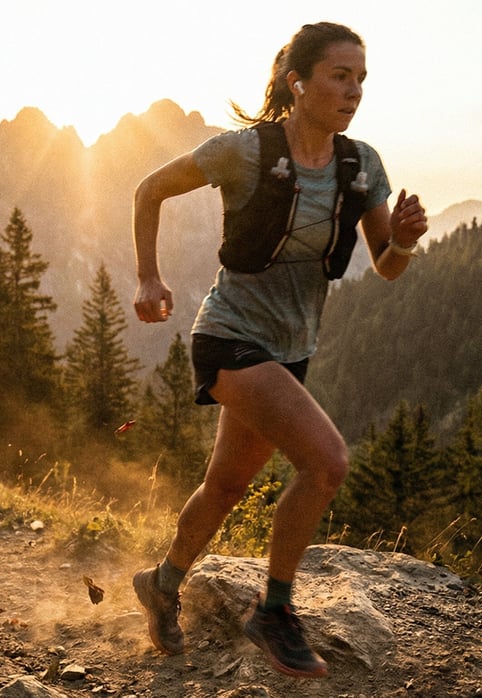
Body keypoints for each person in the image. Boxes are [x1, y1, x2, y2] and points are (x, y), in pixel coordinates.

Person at [129, 21, 428, 678]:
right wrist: (149, 275)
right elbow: (148, 189)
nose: (353, 91)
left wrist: (402, 238)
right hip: (230, 335)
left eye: (361, 80)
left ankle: (162, 582)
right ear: (298, 81)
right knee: (326, 464)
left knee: (227, 485)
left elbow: (387, 265)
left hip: (291, 349)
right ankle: (276, 610)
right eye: (339, 76)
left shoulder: (361, 164)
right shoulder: (246, 151)